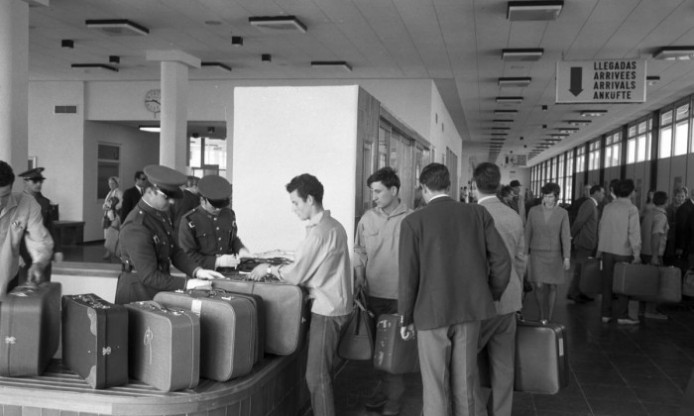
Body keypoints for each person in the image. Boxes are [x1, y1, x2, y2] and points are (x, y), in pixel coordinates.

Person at [398, 163, 511, 416]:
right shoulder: (477, 214)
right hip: (470, 311)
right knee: (465, 383)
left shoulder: (413, 222)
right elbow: (502, 261)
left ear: (423, 188)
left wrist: (405, 317)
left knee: (435, 387)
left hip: (430, 314)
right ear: (449, 185)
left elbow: (408, 276)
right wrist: (490, 293)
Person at [248, 173, 353, 416]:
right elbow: (313, 261)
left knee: (316, 377)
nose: (293, 209)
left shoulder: (318, 234)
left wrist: (269, 268)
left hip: (326, 310)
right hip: (338, 305)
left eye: (295, 203)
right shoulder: (333, 226)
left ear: (310, 199)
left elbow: (295, 275)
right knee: (323, 373)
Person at [114, 165, 222, 305]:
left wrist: (197, 271)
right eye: (167, 197)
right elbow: (149, 276)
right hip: (137, 294)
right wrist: (188, 284)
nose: (172, 202)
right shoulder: (136, 226)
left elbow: (175, 251)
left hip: (157, 290)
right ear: (150, 192)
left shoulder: (159, 215)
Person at [353, 167, 412, 416]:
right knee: (378, 351)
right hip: (373, 296)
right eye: (372, 192)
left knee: (394, 352)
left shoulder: (412, 218)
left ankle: (393, 401)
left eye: (378, 191)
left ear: (394, 190)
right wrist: (357, 279)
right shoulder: (368, 218)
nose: (374, 196)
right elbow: (359, 252)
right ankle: (385, 390)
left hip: (401, 297)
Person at [474, 162, 526, 416]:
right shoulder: (514, 216)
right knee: (504, 364)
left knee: (466, 361)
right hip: (510, 299)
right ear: (499, 185)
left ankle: (477, 410)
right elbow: (520, 260)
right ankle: (501, 412)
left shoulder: (473, 215)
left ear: (475, 186)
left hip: (480, 302)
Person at [0, 161, 54, 294]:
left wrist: (38, 263)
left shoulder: (27, 203)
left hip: (8, 278)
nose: (0, 203)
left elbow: (39, 238)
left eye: (5, 196)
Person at [178, 174, 247, 270]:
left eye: (221, 205)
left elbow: (232, 239)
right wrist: (216, 262)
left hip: (228, 272)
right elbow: (187, 256)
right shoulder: (190, 220)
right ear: (203, 200)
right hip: (202, 273)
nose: (218, 209)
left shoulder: (229, 214)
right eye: (214, 206)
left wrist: (240, 249)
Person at [597, 179, 641, 325]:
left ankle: (605, 314)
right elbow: (634, 233)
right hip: (623, 251)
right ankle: (622, 315)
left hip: (607, 250)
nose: (635, 192)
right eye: (634, 190)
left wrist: (599, 249)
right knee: (623, 282)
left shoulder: (608, 207)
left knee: (606, 283)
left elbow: (601, 227)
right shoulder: (632, 209)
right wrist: (637, 253)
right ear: (629, 192)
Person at [525, 182, 571, 322]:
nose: (547, 199)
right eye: (545, 196)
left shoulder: (562, 213)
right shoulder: (533, 211)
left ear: (556, 197)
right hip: (537, 252)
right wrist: (524, 253)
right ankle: (541, 314)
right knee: (538, 285)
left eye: (551, 196)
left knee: (552, 285)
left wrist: (567, 257)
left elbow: (565, 235)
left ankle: (549, 317)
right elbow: (528, 232)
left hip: (554, 253)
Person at [18, 167, 62, 280]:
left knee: (43, 286)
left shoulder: (46, 202)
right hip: (23, 252)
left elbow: (50, 227)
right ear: (25, 181)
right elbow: (12, 231)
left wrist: (57, 250)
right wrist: (15, 254)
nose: (38, 184)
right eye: (35, 181)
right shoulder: (16, 202)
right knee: (24, 288)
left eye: (40, 181)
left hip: (43, 251)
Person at [567, 185, 604, 303]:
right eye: (602, 193)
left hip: (588, 241)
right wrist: (571, 235)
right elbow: (580, 221)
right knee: (579, 269)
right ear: (596, 193)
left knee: (582, 269)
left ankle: (580, 291)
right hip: (584, 242)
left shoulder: (593, 205)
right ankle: (574, 293)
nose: (603, 196)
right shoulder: (589, 204)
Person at [639, 191, 669, 320]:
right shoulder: (661, 216)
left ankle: (642, 309)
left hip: (644, 251)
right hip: (653, 253)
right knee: (654, 282)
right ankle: (651, 310)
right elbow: (656, 235)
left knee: (645, 282)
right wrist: (655, 256)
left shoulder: (649, 213)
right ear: (666, 201)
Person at [664, 186, 687, 266]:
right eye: (678, 196)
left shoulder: (687, 209)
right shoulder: (670, 209)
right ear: (674, 196)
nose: (681, 198)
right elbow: (667, 223)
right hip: (672, 238)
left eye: (682, 196)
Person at [102, 176, 123, 260]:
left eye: (113, 183)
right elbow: (105, 204)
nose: (111, 185)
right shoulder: (109, 193)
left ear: (117, 184)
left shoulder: (119, 193)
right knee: (107, 233)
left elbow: (121, 203)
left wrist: (115, 207)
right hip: (108, 215)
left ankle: (114, 252)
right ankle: (109, 251)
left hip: (115, 216)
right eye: (109, 183)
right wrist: (105, 207)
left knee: (114, 233)